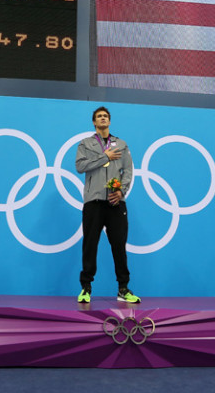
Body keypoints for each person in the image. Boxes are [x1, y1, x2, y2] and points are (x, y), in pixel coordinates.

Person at [74, 106, 140, 304]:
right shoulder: (85, 144)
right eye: (99, 116)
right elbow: (80, 166)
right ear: (94, 122)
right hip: (94, 202)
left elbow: (128, 170)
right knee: (90, 245)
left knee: (119, 246)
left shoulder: (121, 144)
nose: (102, 118)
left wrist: (122, 191)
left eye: (105, 116)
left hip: (115, 203)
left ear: (109, 121)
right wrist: (105, 157)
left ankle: (123, 288)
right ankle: (86, 288)